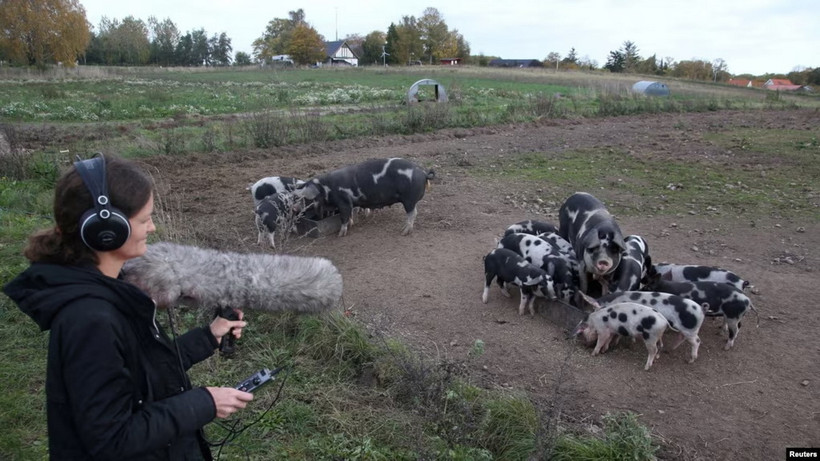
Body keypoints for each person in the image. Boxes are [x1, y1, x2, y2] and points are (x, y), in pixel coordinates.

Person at [3, 154, 253, 460]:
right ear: (106, 229)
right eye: (144, 219)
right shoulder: (90, 319)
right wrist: (205, 403)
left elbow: (138, 373)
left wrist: (209, 337)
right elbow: (111, 438)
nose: (154, 228)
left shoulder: (111, 290)